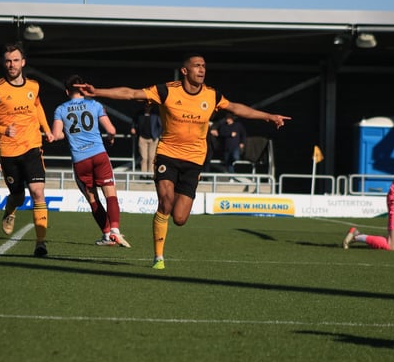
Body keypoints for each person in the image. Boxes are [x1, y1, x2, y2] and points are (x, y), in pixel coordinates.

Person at [77, 52, 291, 269]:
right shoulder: (166, 90)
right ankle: (158, 257)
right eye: (197, 66)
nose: (202, 70)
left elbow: (236, 108)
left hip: (194, 160)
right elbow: (131, 93)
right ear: (185, 71)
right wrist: (98, 92)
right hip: (167, 155)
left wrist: (269, 116)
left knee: (179, 218)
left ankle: (166, 231)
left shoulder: (212, 95)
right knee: (166, 202)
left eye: (204, 66)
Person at [0, 42, 54, 257]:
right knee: (19, 197)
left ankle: (40, 243)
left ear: (23, 62)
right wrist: (3, 129)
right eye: (8, 61)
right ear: (4, 63)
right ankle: (10, 210)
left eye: (15, 60)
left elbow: (37, 108)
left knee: (38, 192)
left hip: (32, 146)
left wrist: (47, 130)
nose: (12, 65)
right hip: (9, 151)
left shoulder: (34, 86)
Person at [51, 75, 131, 248]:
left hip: (80, 160)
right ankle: (116, 231)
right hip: (99, 155)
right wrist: (110, 137)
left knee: (93, 199)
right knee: (110, 194)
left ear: (67, 91)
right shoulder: (95, 105)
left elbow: (57, 135)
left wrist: (68, 133)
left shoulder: (61, 109)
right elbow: (111, 129)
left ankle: (106, 234)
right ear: (83, 88)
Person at [130, 102, 162, 175]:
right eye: (146, 106)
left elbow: (160, 126)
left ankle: (150, 174)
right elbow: (134, 122)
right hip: (142, 138)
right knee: (144, 157)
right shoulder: (139, 114)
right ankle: (143, 174)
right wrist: (133, 128)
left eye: (149, 106)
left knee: (151, 157)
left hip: (153, 139)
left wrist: (157, 135)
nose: (147, 108)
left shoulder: (155, 114)